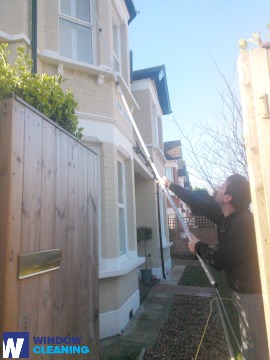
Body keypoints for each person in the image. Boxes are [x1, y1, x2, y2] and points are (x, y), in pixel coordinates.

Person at [160, 174, 269, 360]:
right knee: (247, 338)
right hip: (241, 290)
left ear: (228, 197)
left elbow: (219, 260)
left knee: (255, 345)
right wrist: (170, 185)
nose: (218, 188)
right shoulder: (225, 215)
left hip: (252, 293)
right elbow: (199, 202)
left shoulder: (242, 224)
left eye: (222, 186)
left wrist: (198, 246)